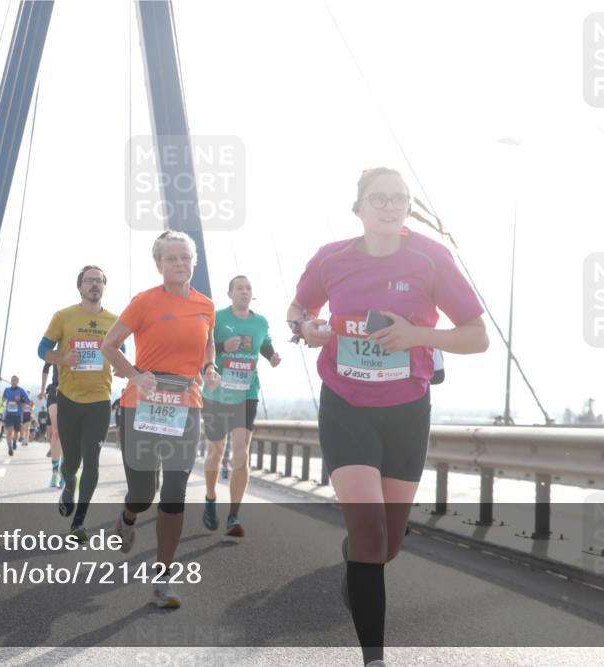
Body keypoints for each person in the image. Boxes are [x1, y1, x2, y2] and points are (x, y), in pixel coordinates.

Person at [288, 167, 488, 667]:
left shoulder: (430, 257)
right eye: (379, 198)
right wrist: (306, 328)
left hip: (406, 411)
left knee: (388, 544)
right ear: (358, 207)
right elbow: (297, 309)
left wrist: (418, 336)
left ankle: (354, 557)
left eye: (400, 198)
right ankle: (374, 659)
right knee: (371, 532)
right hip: (346, 404)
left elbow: (476, 335)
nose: (390, 206)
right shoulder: (330, 258)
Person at [102, 231, 220, 609]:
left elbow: (209, 340)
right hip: (142, 404)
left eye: (186, 258)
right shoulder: (145, 302)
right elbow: (109, 345)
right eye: (172, 259)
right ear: (159, 264)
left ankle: (162, 578)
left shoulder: (206, 305)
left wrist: (210, 365)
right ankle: (127, 516)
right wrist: (135, 375)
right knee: (143, 492)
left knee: (174, 490)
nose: (180, 264)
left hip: (186, 403)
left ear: (194, 262)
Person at [39, 265, 119, 541]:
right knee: (71, 462)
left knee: (92, 461)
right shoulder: (63, 316)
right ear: (80, 286)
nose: (94, 284)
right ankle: (68, 484)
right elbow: (42, 350)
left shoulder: (114, 320)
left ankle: (79, 522)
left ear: (104, 286)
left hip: (100, 401)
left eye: (99, 280)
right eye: (89, 281)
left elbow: (122, 355)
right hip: (69, 399)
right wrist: (62, 359)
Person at [201, 275, 281, 537]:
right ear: (230, 293)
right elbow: (205, 347)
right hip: (217, 394)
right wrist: (224, 346)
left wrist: (272, 356)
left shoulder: (260, 321)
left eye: (248, 288)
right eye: (239, 288)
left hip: (247, 392)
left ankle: (233, 516)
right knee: (215, 451)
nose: (244, 292)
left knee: (241, 453)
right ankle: (211, 498)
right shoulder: (218, 318)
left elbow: (265, 343)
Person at [41, 362, 63, 486]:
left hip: (72, 392)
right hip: (55, 391)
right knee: (56, 433)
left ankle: (64, 473)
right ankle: (55, 472)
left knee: (68, 436)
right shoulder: (55, 352)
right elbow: (46, 367)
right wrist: (42, 389)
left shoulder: (79, 346)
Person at [1, 377, 29, 456]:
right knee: (9, 432)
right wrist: (2, 403)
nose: (13, 382)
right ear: (10, 381)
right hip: (9, 414)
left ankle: (14, 441)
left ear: (18, 382)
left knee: (17, 432)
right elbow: (3, 399)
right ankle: (10, 448)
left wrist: (20, 399)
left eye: (15, 381)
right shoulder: (7, 390)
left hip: (17, 415)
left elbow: (27, 400)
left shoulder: (21, 391)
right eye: (12, 380)